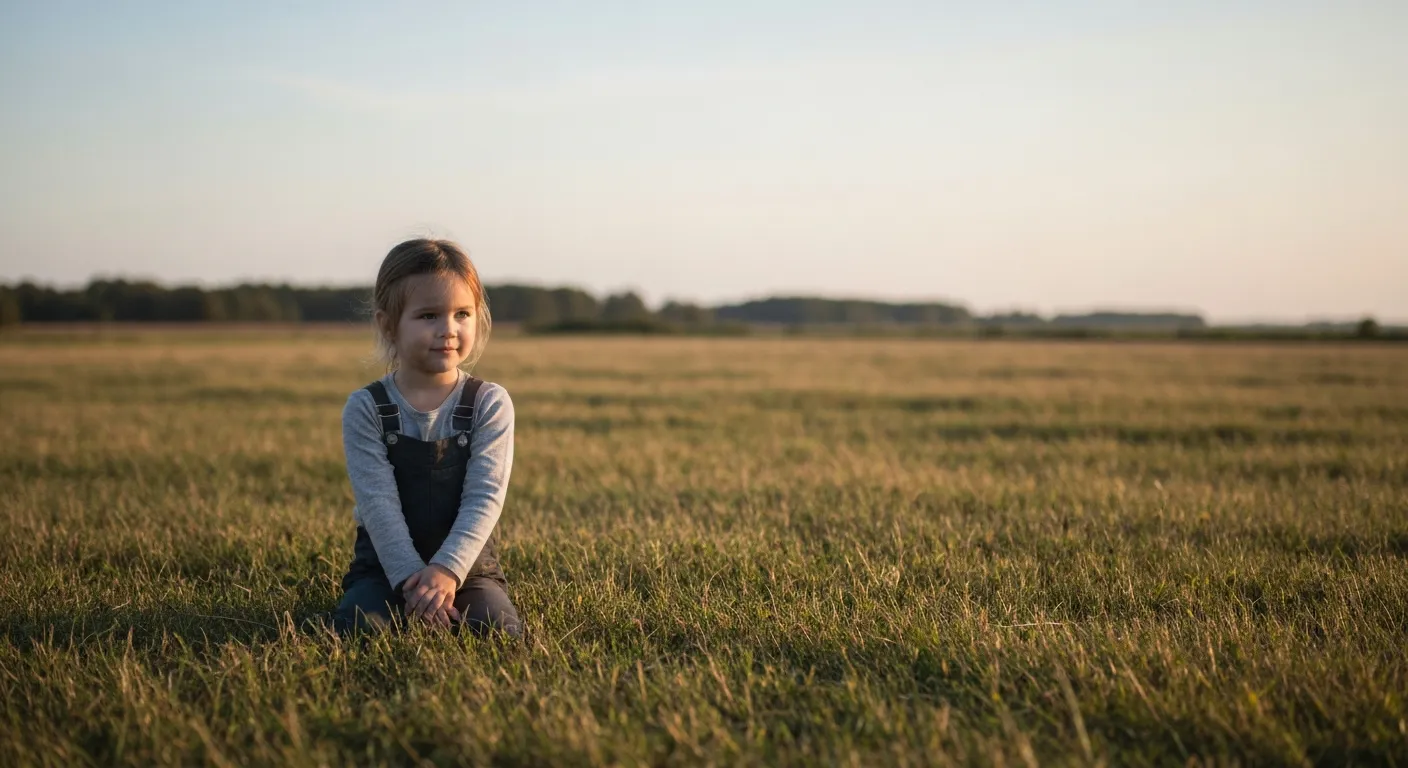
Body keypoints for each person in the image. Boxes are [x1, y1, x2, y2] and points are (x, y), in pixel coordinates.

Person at [331, 237, 523, 638]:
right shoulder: (366, 408)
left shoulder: (489, 402)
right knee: (359, 628)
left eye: (462, 314)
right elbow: (377, 504)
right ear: (388, 324)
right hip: (385, 568)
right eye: (429, 315)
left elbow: (485, 497)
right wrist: (412, 583)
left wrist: (447, 571)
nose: (448, 329)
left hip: (468, 568)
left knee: (497, 630)